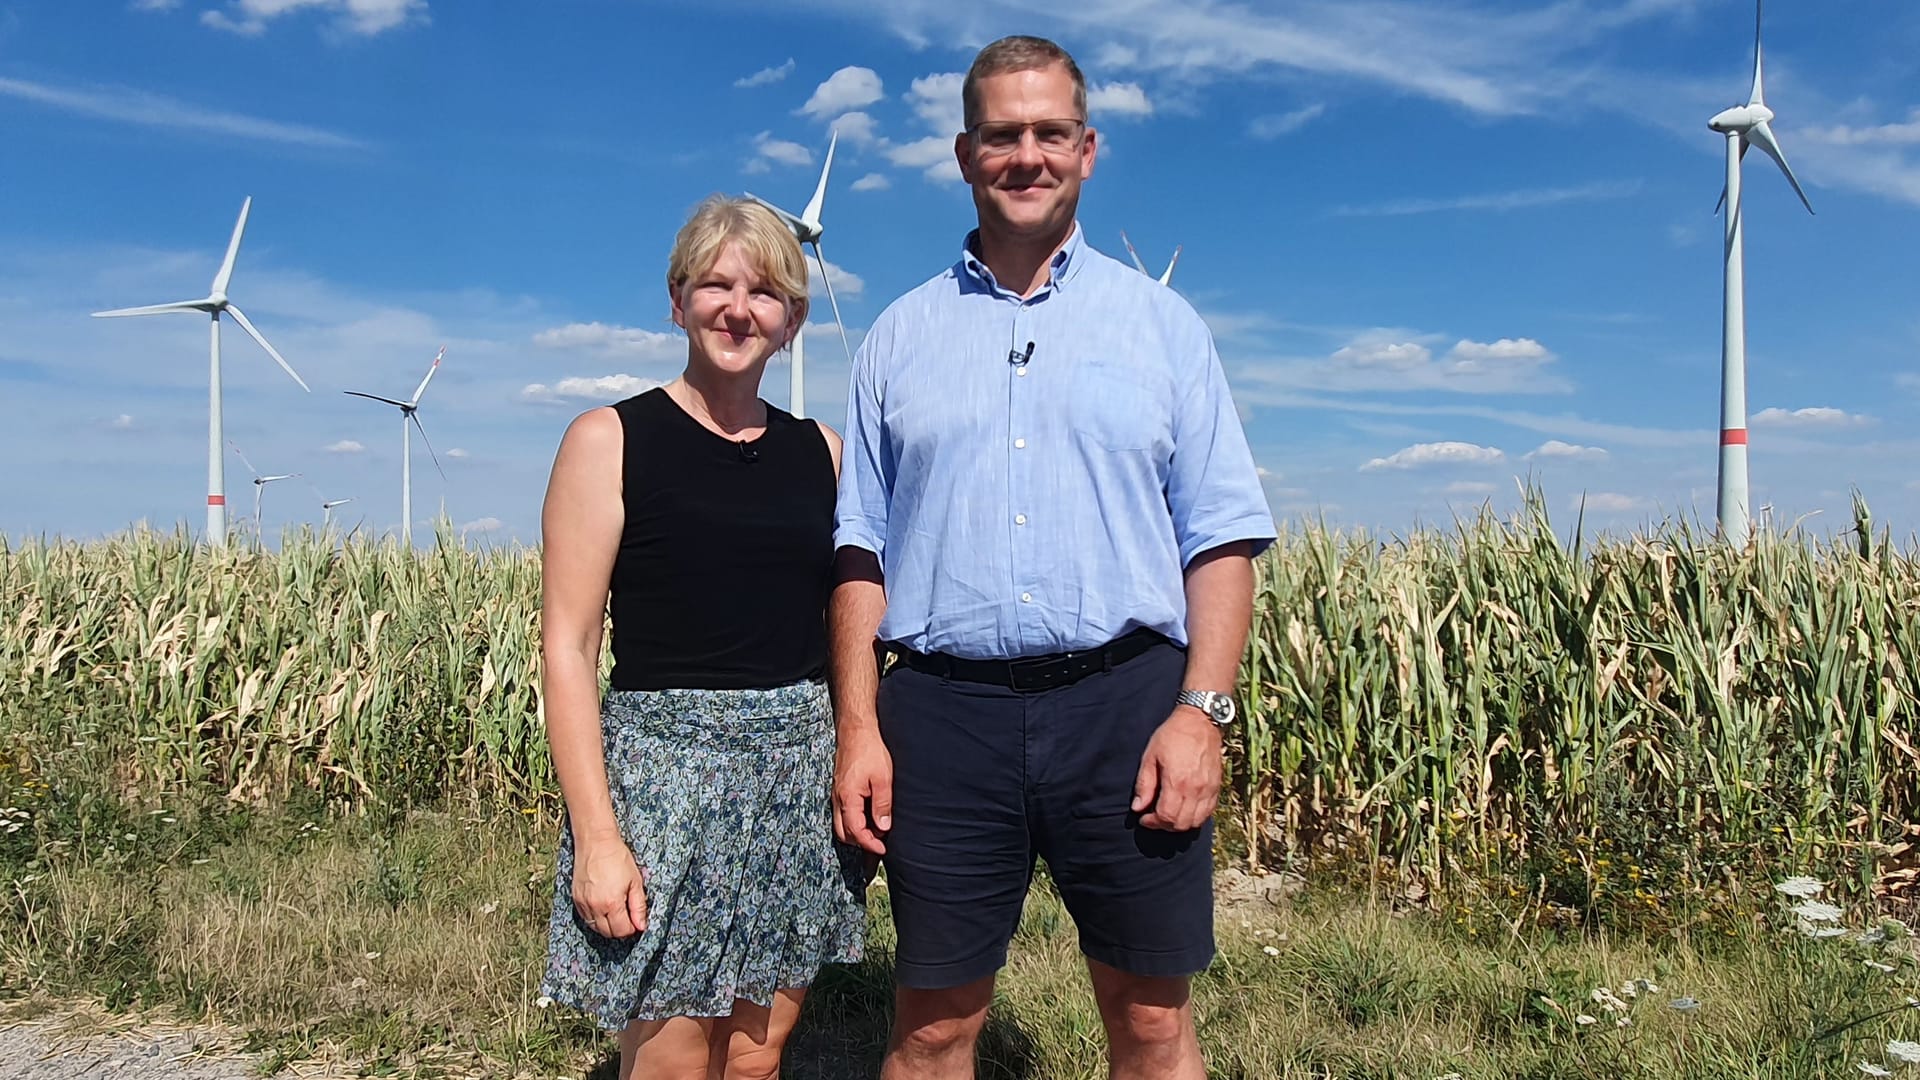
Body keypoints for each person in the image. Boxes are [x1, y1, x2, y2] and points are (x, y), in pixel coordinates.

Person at [828, 34, 1276, 1080]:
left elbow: (1220, 536)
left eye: (1048, 133)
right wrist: (859, 726)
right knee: (934, 1027)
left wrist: (1200, 714)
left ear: (1087, 149)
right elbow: (860, 551)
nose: (1025, 154)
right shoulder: (897, 336)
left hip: (1126, 709)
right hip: (943, 718)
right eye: (1001, 135)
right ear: (963, 152)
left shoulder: (1163, 327)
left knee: (1152, 1023)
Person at [538, 194, 866, 1080]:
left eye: (764, 292)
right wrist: (598, 838)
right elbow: (566, 650)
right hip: (664, 780)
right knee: (673, 1057)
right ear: (676, 300)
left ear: (793, 320)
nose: (738, 308)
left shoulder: (823, 454)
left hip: (794, 777)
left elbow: (856, 617)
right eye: (715, 284)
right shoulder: (608, 440)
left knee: (759, 1057)